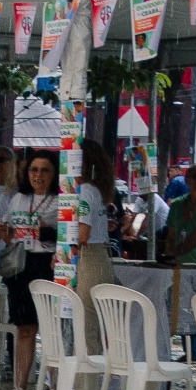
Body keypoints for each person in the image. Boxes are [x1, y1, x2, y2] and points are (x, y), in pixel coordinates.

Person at [1, 151, 61, 390]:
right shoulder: (17, 199)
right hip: (20, 265)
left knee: (51, 330)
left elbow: (66, 237)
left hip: (47, 265)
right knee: (24, 329)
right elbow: (8, 232)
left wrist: (46, 232)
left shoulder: (61, 201)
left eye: (44, 170)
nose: (38, 175)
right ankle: (19, 388)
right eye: (34, 170)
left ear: (54, 173)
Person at [72, 139, 119, 351]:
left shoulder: (84, 191)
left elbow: (82, 234)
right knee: (93, 328)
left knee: (86, 328)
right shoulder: (96, 190)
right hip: (100, 257)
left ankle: (84, 384)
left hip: (88, 257)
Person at [163, 166, 196, 262]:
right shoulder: (177, 204)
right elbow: (171, 236)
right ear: (187, 180)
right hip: (181, 264)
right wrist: (169, 256)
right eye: (195, 176)